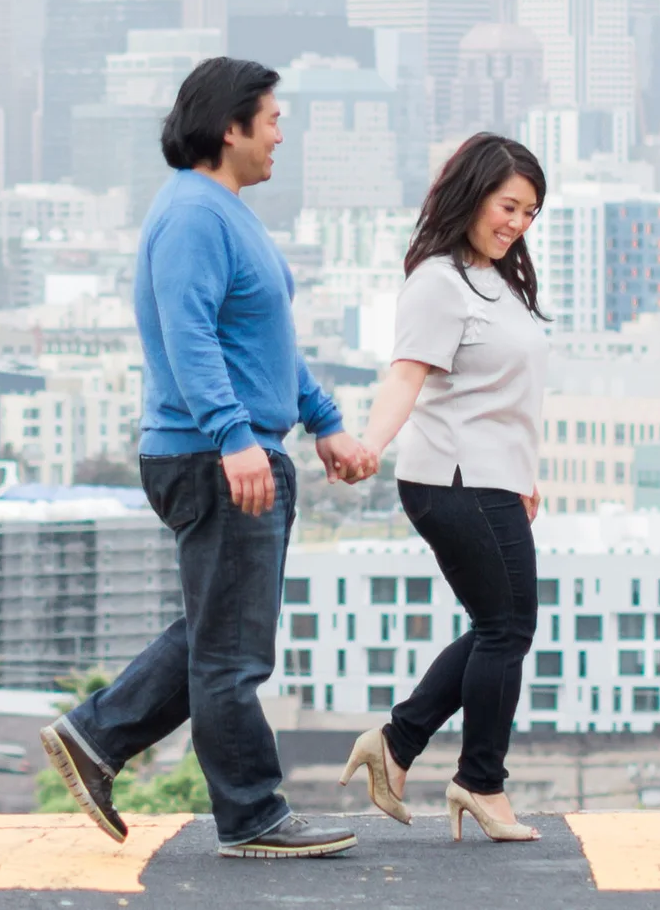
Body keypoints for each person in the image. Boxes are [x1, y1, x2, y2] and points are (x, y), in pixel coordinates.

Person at [41, 57, 378, 861]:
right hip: (212, 456)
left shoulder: (225, 212)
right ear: (230, 127)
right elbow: (189, 338)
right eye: (271, 119)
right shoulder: (194, 215)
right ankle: (252, 812)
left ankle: (95, 736)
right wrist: (233, 437)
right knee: (232, 652)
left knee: (214, 632)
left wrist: (323, 420)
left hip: (234, 450)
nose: (280, 133)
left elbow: (265, 341)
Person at [339, 133, 550, 843]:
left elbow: (503, 393)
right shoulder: (438, 281)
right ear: (473, 193)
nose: (517, 223)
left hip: (491, 478)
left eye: (529, 212)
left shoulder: (495, 277)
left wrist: (524, 473)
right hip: (454, 479)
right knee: (507, 628)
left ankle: (396, 744)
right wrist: (369, 444)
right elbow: (407, 374)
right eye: (508, 205)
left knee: (501, 625)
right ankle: (480, 781)